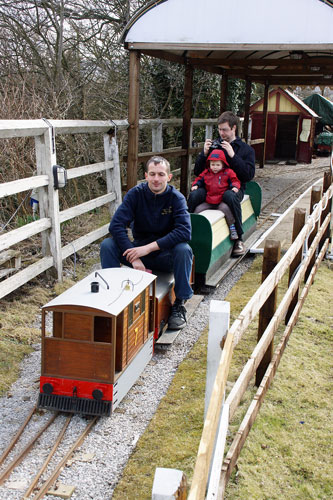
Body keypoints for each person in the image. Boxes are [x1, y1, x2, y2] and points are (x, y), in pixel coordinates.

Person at [100, 155, 193, 330]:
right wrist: (133, 255)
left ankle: (179, 303)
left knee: (184, 249)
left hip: (165, 255)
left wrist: (148, 249)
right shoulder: (136, 194)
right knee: (108, 245)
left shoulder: (177, 198)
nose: (156, 179)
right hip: (140, 255)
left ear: (169, 177)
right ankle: (111, 299)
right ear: (146, 175)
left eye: (160, 174)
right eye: (152, 174)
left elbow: (184, 231)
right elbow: (116, 226)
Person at [190, 111, 255, 256]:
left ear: (233, 128)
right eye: (219, 130)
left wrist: (233, 155)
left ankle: (238, 239)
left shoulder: (246, 150)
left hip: (233, 189)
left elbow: (248, 175)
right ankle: (185, 230)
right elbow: (198, 172)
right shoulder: (215, 146)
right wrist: (204, 154)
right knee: (194, 195)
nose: (221, 133)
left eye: (224, 129)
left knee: (229, 197)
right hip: (210, 188)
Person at [190, 149, 241, 240]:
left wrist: (235, 186)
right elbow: (199, 179)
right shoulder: (206, 172)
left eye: (218, 165)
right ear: (209, 164)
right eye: (213, 165)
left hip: (221, 200)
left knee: (227, 211)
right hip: (209, 199)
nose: (215, 167)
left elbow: (235, 180)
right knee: (197, 210)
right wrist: (196, 185)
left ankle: (232, 228)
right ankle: (192, 227)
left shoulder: (228, 172)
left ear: (223, 164)